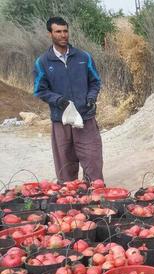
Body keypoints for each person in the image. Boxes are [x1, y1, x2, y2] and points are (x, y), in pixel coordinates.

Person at [33, 16, 103, 183]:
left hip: (85, 118)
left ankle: (94, 197)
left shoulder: (83, 57)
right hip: (61, 120)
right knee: (65, 166)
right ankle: (70, 202)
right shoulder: (42, 62)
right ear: (50, 34)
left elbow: (95, 82)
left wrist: (92, 97)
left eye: (65, 31)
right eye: (58, 31)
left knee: (93, 160)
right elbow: (40, 90)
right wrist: (59, 101)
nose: (63, 35)